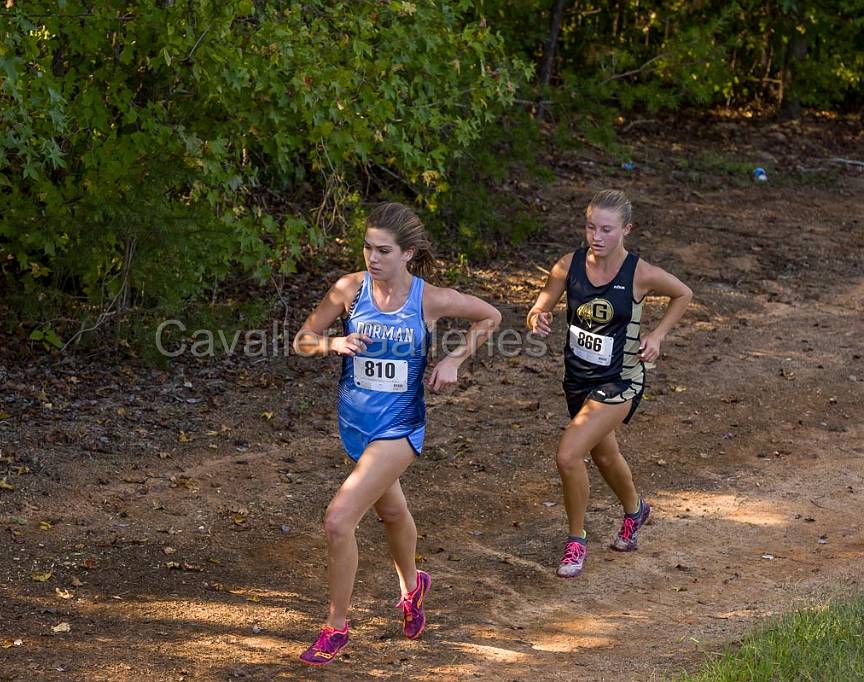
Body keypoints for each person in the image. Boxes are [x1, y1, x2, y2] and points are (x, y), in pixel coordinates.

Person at [292, 202, 502, 665]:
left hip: (399, 426)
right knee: (390, 510)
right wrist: (334, 342)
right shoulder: (349, 289)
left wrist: (453, 359)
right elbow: (302, 339)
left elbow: (490, 317)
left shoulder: (429, 299)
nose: (372, 257)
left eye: (383, 250)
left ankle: (336, 627)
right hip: (354, 423)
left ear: (407, 254)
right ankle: (413, 586)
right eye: (367, 247)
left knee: (338, 519)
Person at [526, 189, 692, 578]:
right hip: (578, 379)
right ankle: (637, 510)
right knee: (603, 456)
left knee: (568, 455)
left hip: (621, 380)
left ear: (626, 230)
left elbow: (683, 293)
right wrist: (537, 316)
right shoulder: (568, 266)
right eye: (590, 227)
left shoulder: (640, 273)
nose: (596, 237)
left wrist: (657, 335)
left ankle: (575, 540)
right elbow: (540, 304)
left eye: (606, 229)